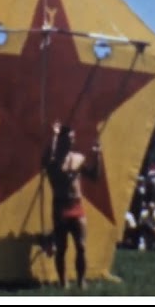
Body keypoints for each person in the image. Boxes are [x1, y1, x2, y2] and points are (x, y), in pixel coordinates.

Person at [42, 120, 101, 289]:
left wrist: (98, 156)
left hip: (76, 205)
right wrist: (53, 135)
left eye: (73, 138)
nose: (71, 141)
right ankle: (63, 282)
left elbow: (94, 176)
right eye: (68, 138)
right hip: (60, 206)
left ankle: (81, 280)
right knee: (61, 247)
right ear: (61, 140)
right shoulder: (53, 160)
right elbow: (47, 160)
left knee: (81, 246)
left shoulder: (78, 158)